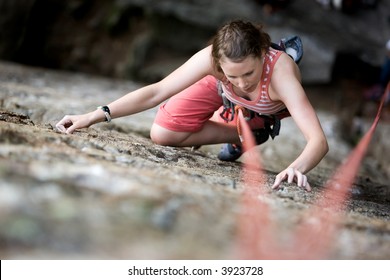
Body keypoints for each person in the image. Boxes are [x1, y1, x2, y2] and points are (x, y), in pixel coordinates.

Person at [56, 20, 329, 192]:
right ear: (218, 62)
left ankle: (255, 124)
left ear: (261, 54)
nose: (243, 82)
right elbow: (157, 91)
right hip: (221, 92)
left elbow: (317, 140)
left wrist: (297, 167)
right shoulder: (212, 62)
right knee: (163, 134)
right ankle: (245, 131)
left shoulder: (280, 74)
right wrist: (95, 115)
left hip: (265, 105)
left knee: (241, 93)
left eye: (249, 73)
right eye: (232, 73)